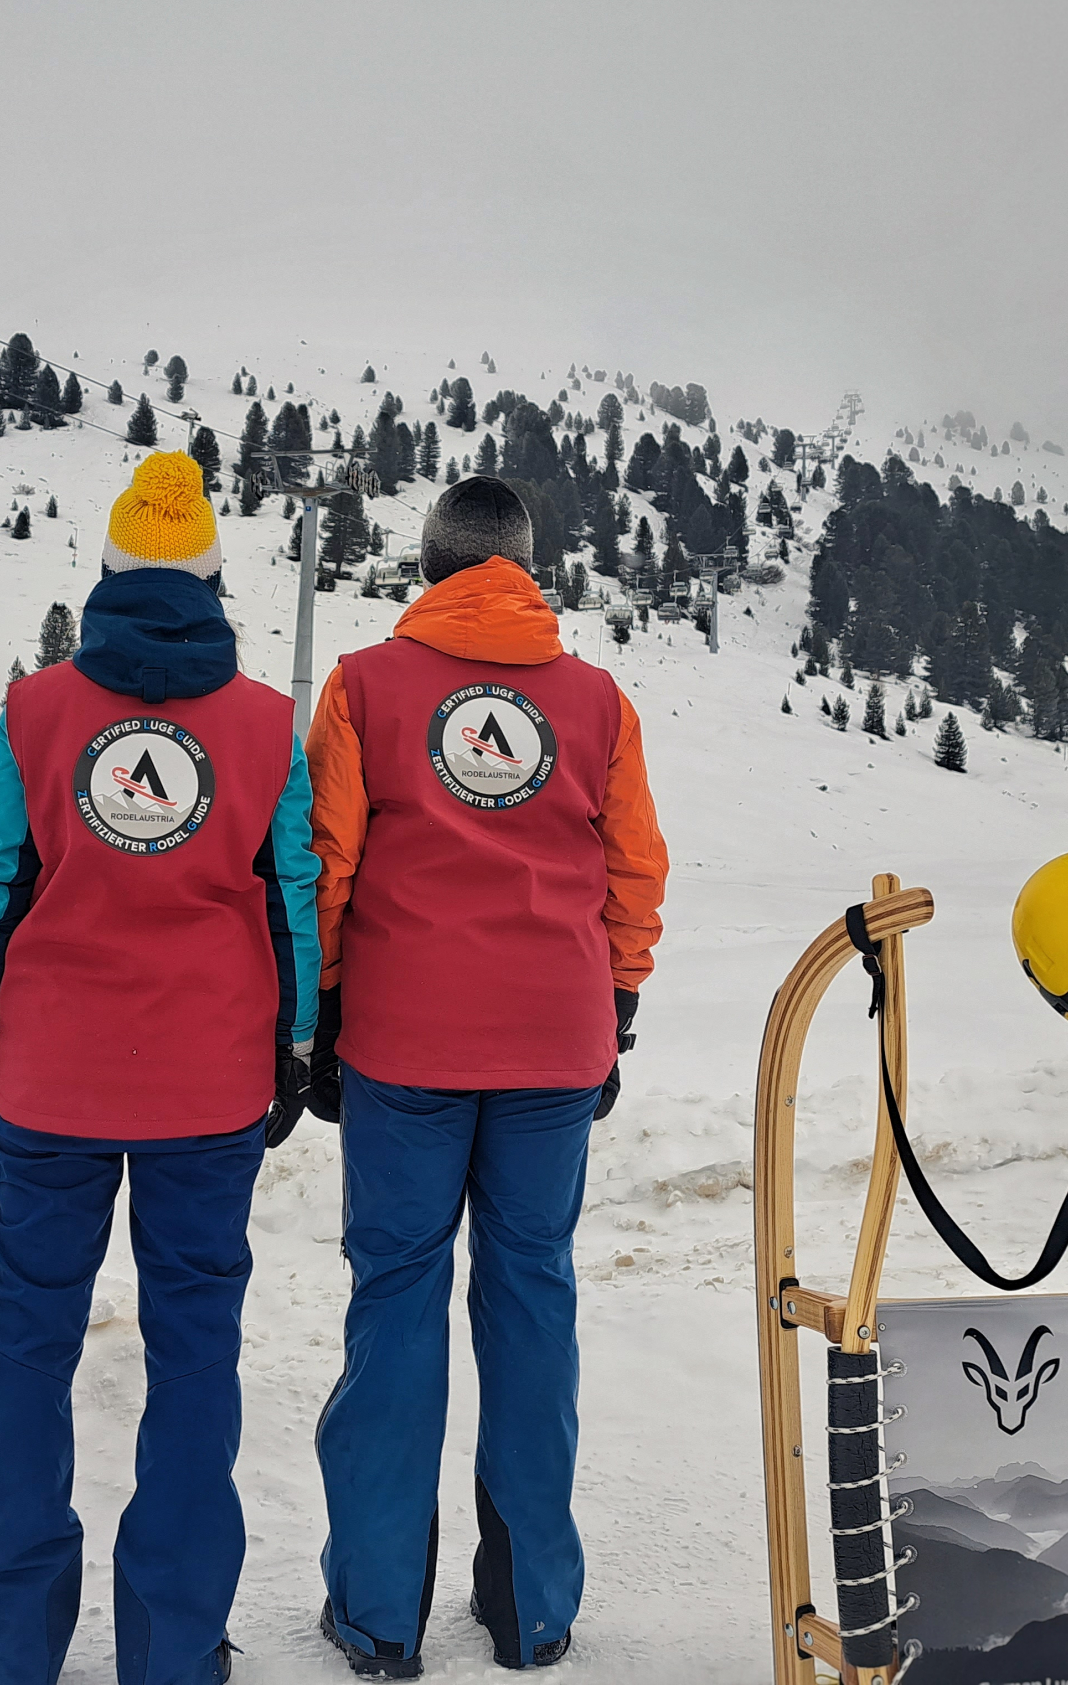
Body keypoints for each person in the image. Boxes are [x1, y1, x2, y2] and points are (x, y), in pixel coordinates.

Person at [0, 452, 321, 1685]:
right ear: (216, 585)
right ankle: (173, 1648)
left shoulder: (38, 708)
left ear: (103, 574)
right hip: (206, 1091)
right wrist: (298, 1042)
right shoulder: (266, 725)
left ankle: (11, 1642)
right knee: (195, 1359)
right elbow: (295, 896)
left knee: (28, 1350)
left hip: (51, 1085)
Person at [302, 476, 667, 1676]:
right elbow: (633, 867)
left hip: (403, 1046)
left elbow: (327, 866)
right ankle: (531, 1613)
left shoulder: (363, 684)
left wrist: (325, 1013)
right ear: (525, 568)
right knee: (531, 1304)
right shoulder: (597, 700)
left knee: (395, 1305)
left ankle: (379, 1617)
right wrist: (612, 1000)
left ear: (426, 566)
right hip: (554, 1047)